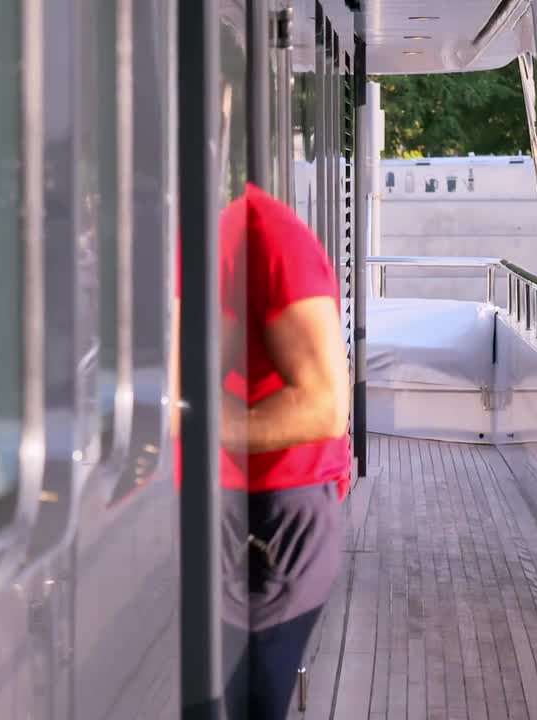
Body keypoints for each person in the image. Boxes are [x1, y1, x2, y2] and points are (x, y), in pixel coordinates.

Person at [173, 183, 351, 720]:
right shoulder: (207, 236)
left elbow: (323, 406)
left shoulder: (262, 237)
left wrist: (189, 416)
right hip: (224, 511)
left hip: (269, 523)